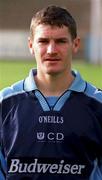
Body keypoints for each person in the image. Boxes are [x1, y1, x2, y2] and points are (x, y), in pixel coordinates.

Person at [0, 5, 102, 180]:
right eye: (43, 41)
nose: (51, 50)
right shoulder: (5, 103)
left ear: (75, 44)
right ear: (31, 45)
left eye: (61, 41)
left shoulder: (98, 104)